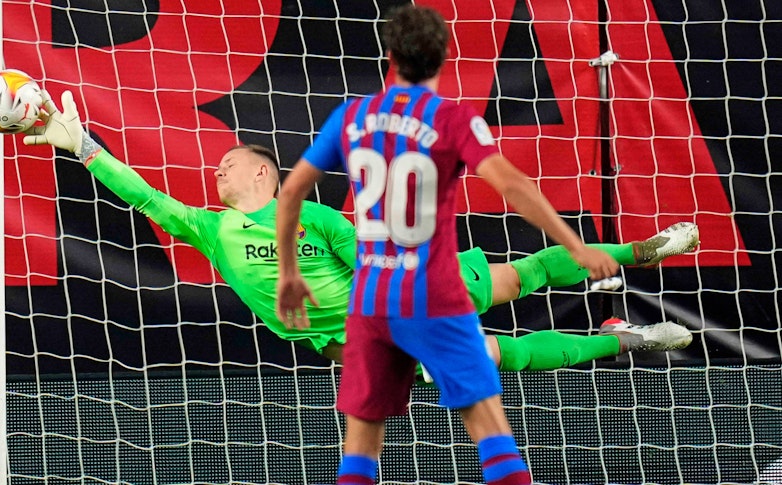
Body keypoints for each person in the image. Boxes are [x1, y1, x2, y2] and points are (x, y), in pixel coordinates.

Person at [22, 93, 696, 373]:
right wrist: (80, 143)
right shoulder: (212, 227)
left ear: (263, 171)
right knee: (496, 357)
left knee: (529, 274)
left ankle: (640, 250)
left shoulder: (308, 215)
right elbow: (144, 196)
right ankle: (620, 339)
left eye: (229, 164)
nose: (217, 172)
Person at [272, 5, 649, 484]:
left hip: (371, 302)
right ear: (445, 56)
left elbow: (290, 193)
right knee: (492, 438)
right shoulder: (451, 118)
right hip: (434, 298)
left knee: (360, 454)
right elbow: (510, 185)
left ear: (389, 55)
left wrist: (290, 274)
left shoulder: (354, 116)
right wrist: (576, 246)